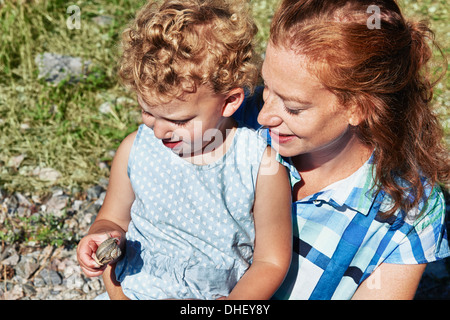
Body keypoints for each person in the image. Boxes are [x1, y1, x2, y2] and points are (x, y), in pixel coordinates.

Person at [76, 0, 292, 300]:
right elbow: (113, 219)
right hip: (134, 292)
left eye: (179, 120)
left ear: (229, 101)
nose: (160, 130)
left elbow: (270, 261)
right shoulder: (136, 149)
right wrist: (101, 235)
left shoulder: (259, 166)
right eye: (148, 112)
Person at [234, 0, 450, 299]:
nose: (263, 115)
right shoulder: (232, 122)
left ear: (359, 108)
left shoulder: (407, 213)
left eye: (293, 108)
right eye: (266, 87)